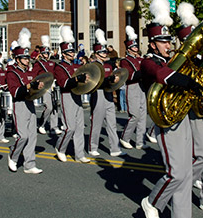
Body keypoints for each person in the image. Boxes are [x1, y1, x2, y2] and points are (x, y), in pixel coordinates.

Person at [138, 0, 203, 218]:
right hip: (165, 121)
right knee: (175, 172)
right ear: (154, 43)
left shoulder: (174, 60)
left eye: (169, 40)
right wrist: (187, 81)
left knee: (186, 170)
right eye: (164, 41)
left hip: (182, 116)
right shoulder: (148, 62)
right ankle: (152, 202)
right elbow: (160, 74)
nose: (169, 45)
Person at [6, 28, 44, 174]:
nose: (27, 60)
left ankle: (29, 164)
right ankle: (13, 155)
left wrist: (38, 85)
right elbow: (15, 91)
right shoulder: (12, 72)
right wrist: (29, 85)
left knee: (32, 136)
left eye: (28, 58)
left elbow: (35, 83)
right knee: (23, 135)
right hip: (19, 104)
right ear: (17, 59)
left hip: (30, 103)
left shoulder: (29, 72)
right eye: (24, 58)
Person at [53, 26, 91, 164]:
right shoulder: (59, 67)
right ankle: (60, 148)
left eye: (72, 52)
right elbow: (63, 83)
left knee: (80, 126)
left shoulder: (75, 66)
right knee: (70, 127)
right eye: (69, 52)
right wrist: (77, 79)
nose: (72, 54)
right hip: (67, 96)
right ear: (64, 54)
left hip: (77, 95)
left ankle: (79, 154)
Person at [87, 29, 124, 157]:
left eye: (105, 51)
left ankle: (115, 148)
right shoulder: (93, 66)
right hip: (98, 93)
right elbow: (95, 82)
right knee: (97, 122)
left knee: (112, 123)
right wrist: (109, 79)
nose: (105, 54)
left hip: (108, 92)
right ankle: (92, 147)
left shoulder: (108, 65)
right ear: (97, 54)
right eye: (102, 52)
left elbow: (112, 76)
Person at [119, 26, 149, 150]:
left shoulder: (142, 59)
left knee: (143, 115)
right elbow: (129, 76)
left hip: (142, 87)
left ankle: (140, 141)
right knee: (135, 115)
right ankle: (125, 137)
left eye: (136, 47)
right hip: (132, 87)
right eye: (134, 47)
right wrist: (144, 71)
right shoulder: (125, 61)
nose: (136, 49)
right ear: (129, 49)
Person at [34, 36, 60, 136]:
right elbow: (35, 75)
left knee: (55, 106)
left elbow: (55, 73)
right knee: (48, 107)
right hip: (44, 86)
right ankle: (41, 124)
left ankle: (54, 126)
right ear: (41, 54)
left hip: (52, 85)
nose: (46, 55)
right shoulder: (38, 64)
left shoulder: (51, 63)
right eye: (44, 53)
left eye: (47, 53)